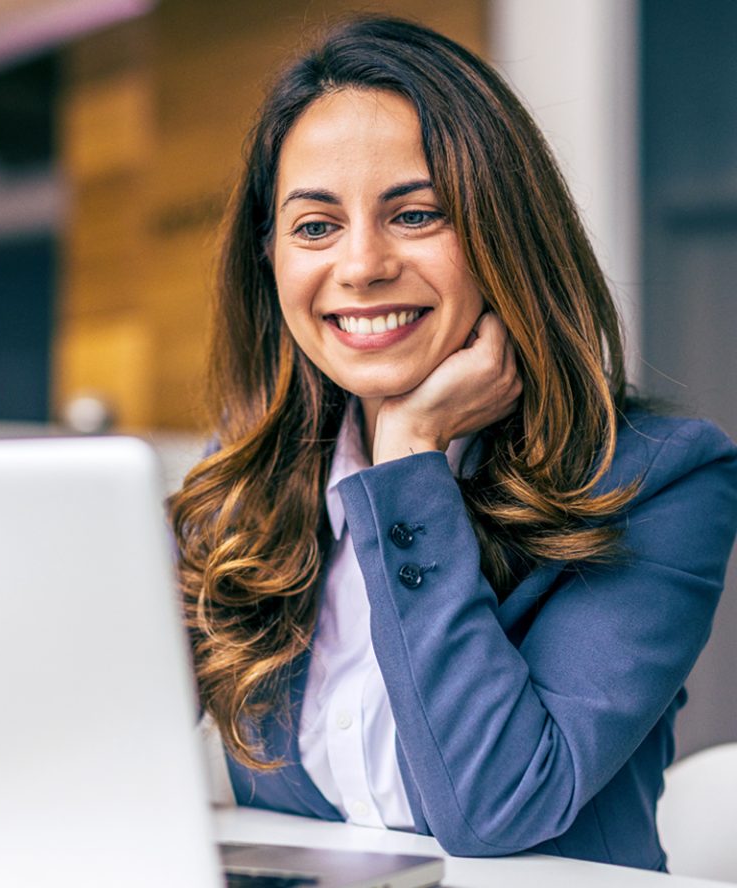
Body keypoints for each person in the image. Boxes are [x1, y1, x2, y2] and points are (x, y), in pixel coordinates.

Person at [169, 15, 737, 872]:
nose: (360, 266)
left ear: (505, 234)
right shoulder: (243, 496)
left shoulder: (660, 480)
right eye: (316, 226)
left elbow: (499, 809)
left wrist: (410, 463)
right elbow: (84, 746)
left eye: (417, 213)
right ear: (270, 259)